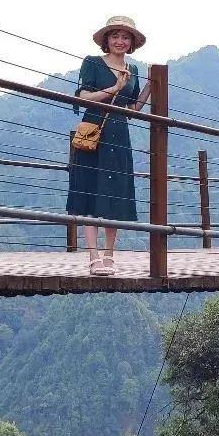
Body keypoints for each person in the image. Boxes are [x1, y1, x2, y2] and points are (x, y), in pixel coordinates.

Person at [67, 15, 151, 275]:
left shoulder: (133, 70)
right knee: (89, 191)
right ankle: (93, 256)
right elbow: (83, 97)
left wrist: (151, 86)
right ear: (106, 39)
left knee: (114, 194)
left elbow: (132, 109)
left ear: (132, 42)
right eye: (115, 36)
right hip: (93, 133)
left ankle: (109, 255)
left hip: (119, 135)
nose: (120, 41)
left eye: (125, 37)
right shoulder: (92, 63)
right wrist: (114, 87)